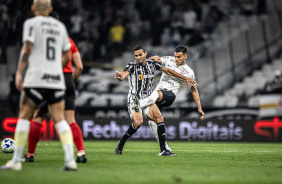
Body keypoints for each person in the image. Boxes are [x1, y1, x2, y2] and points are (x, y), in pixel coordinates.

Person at [1, 0, 77, 171]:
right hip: (56, 80)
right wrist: (56, 67)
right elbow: (67, 54)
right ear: (50, 9)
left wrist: (19, 72)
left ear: (33, 8)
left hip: (35, 78)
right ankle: (70, 160)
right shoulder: (60, 27)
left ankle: (16, 161)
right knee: (60, 119)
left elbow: (27, 47)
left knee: (24, 116)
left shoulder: (31, 23)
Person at [23, 12, 86, 164]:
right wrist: (71, 82)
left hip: (51, 80)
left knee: (38, 116)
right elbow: (79, 66)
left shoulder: (43, 41)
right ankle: (81, 153)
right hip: (68, 79)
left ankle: (30, 155)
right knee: (70, 119)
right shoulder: (69, 41)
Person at [114, 44, 196, 156]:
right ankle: (121, 142)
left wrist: (186, 78)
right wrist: (120, 77)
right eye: (136, 55)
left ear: (145, 54)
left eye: (140, 55)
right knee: (138, 123)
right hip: (135, 98)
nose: (138, 57)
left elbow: (168, 71)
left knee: (159, 118)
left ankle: (163, 150)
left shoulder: (152, 64)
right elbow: (124, 75)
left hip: (148, 98)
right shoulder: (132, 65)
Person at [133, 45, 205, 147]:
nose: (176, 59)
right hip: (156, 96)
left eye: (179, 57)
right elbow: (157, 60)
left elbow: (194, 91)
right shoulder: (169, 59)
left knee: (157, 93)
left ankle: (140, 103)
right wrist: (153, 58)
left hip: (169, 95)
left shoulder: (189, 72)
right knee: (151, 120)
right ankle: (164, 147)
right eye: (175, 56)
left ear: (185, 56)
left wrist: (199, 108)